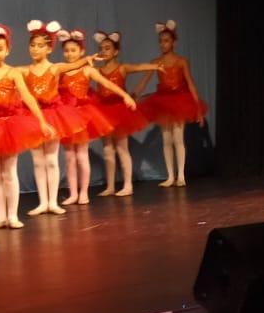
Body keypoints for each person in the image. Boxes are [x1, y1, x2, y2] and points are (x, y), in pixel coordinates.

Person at [0, 23, 55, 229]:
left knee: (9, 171)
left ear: (7, 49)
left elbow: (28, 98)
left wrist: (42, 121)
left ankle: (12, 216)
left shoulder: (13, 73)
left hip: (10, 126)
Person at [120, 20, 207, 189]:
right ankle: (170, 176)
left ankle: (181, 176)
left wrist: (197, 107)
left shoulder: (181, 61)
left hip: (180, 101)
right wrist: (134, 95)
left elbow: (190, 84)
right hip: (163, 101)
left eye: (166, 40)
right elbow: (144, 81)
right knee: (166, 139)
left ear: (174, 42)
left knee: (178, 138)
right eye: (160, 41)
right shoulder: (156, 62)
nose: (163, 44)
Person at [54, 29, 137, 206]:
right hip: (66, 116)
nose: (69, 54)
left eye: (73, 50)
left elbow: (107, 83)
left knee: (82, 154)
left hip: (82, 115)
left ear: (82, 51)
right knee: (69, 157)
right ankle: (73, 193)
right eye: (66, 51)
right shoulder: (61, 71)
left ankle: (84, 193)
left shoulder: (88, 70)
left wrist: (125, 95)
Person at [19, 20, 92, 217]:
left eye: (40, 45)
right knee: (38, 161)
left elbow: (75, 64)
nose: (35, 49)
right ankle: (43, 202)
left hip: (54, 115)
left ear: (49, 48)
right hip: (33, 116)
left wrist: (88, 59)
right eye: (33, 45)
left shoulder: (55, 68)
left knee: (51, 160)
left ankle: (53, 202)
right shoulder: (24, 71)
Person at [92, 31, 147, 197]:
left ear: (116, 51)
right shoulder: (97, 71)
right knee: (107, 149)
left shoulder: (122, 68)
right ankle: (110, 186)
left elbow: (139, 67)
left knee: (122, 148)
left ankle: (128, 185)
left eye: (108, 48)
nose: (104, 51)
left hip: (119, 111)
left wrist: (155, 66)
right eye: (102, 48)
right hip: (103, 111)